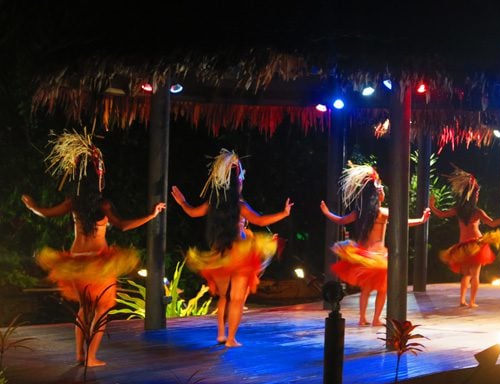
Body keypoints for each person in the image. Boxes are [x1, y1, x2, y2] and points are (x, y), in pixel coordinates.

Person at [22, 129, 165, 367]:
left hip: (76, 262)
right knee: (102, 310)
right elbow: (123, 225)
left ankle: (79, 354)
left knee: (83, 309)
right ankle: (91, 357)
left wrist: (31, 206)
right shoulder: (104, 204)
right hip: (99, 263)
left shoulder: (74, 203)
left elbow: (45, 213)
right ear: (98, 177)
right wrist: (151, 215)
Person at [171, 149, 292, 347]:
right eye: (241, 178)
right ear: (238, 182)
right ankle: (231, 339)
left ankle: (220, 333)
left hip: (221, 254)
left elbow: (192, 212)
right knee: (236, 299)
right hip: (241, 256)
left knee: (223, 297)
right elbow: (260, 221)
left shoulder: (214, 204)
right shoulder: (240, 204)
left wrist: (182, 201)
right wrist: (284, 213)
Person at [320, 162, 430, 326]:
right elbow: (403, 221)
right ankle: (375, 319)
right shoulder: (382, 212)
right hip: (378, 258)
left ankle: (362, 318)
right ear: (377, 195)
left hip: (364, 256)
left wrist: (327, 212)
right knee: (383, 289)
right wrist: (421, 220)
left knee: (366, 289)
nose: (383, 192)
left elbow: (341, 220)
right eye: (381, 190)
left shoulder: (360, 213)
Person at [429, 165, 500, 308]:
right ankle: (472, 302)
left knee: (466, 275)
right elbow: (493, 224)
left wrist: (432, 206)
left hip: (464, 246)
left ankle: (463, 300)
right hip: (476, 245)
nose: (477, 196)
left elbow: (440, 214)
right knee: (475, 275)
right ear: (472, 196)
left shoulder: (458, 210)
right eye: (476, 194)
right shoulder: (477, 212)